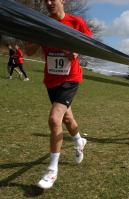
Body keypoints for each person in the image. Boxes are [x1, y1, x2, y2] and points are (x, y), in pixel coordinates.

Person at [25, 0, 92, 189]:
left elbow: (89, 44)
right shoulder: (43, 23)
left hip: (70, 79)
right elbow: (29, 50)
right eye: (44, 0)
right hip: (51, 80)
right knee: (67, 119)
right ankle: (79, 141)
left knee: (55, 119)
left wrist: (77, 52)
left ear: (62, 0)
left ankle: (52, 171)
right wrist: (39, 35)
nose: (48, 2)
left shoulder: (76, 22)